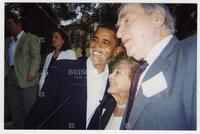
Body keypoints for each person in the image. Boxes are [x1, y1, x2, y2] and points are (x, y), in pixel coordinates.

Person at [116, 3, 196, 130]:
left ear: (157, 18)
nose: (118, 34)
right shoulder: (140, 71)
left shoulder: (193, 51)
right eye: (118, 26)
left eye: (127, 20)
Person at [25, 24, 121, 129]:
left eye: (105, 42)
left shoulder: (114, 85)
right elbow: (38, 113)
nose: (97, 46)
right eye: (95, 39)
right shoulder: (62, 69)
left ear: (116, 51)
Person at [5, 14, 41, 128]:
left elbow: (36, 57)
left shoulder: (31, 38)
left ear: (18, 24)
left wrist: (32, 73)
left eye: (10, 23)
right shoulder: (6, 41)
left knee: (29, 109)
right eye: (6, 24)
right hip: (10, 76)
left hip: (27, 78)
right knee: (15, 109)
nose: (7, 26)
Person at [87, 58, 139, 129]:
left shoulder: (138, 114)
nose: (110, 76)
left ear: (134, 81)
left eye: (117, 72)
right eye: (112, 72)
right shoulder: (108, 105)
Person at [39, 28, 76, 96]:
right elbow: (44, 74)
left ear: (63, 40)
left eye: (56, 37)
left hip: (62, 90)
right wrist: (41, 88)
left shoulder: (70, 53)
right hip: (48, 89)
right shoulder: (49, 56)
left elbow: (72, 74)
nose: (53, 39)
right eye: (53, 37)